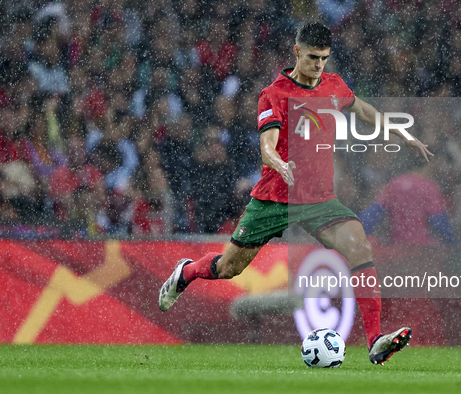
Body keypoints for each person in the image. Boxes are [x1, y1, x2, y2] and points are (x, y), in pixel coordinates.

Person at [158, 22, 432, 365]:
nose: (319, 65)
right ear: (297, 52)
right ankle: (186, 272)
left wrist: (402, 134)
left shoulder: (333, 85)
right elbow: (266, 147)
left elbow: (363, 110)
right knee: (229, 268)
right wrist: (280, 164)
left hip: (317, 200)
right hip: (274, 199)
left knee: (360, 246)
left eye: (325, 59)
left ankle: (376, 339)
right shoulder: (274, 95)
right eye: (313, 57)